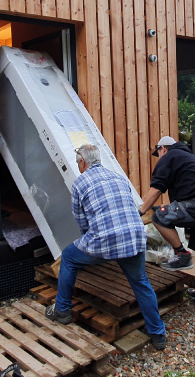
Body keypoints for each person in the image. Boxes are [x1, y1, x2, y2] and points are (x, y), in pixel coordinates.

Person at [45, 144, 167, 350]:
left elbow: (82, 223)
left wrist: (91, 249)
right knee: (141, 282)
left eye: (78, 163)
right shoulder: (119, 177)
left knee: (68, 257)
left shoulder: (80, 183)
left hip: (104, 241)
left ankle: (63, 310)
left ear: (83, 162)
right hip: (135, 238)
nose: (78, 167)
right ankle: (158, 334)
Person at [139, 136, 195, 306]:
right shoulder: (191, 158)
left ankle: (182, 254)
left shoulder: (170, 156)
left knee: (159, 216)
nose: (158, 157)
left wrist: (141, 211)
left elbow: (157, 188)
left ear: (163, 148)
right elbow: (192, 187)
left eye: (158, 153)